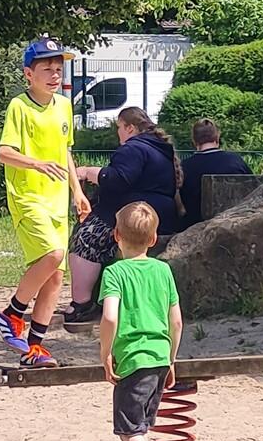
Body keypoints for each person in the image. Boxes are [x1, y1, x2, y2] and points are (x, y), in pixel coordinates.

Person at [0, 38, 91, 368]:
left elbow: (66, 152)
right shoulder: (19, 106)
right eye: (47, 69)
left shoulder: (64, 106)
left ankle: (33, 349)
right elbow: (4, 153)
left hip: (57, 202)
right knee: (53, 254)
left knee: (55, 278)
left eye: (58, 69)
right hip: (28, 197)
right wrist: (35, 164)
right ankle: (11, 314)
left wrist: (77, 192)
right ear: (28, 74)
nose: (54, 75)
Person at [100, 202, 190, 441]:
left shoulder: (114, 273)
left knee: (129, 432)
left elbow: (110, 317)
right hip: (160, 358)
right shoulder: (163, 271)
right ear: (154, 239)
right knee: (140, 430)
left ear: (116, 235)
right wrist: (171, 359)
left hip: (133, 359)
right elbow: (176, 321)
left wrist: (105, 353)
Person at [64, 107, 182, 325]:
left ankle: (82, 304)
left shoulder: (133, 148)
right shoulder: (159, 149)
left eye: (119, 127)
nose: (117, 132)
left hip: (135, 214)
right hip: (161, 215)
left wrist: (89, 172)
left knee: (86, 237)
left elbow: (118, 179)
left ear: (129, 128)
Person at [178, 118, 252, 228]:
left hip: (196, 228)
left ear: (194, 140)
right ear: (217, 137)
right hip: (235, 226)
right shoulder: (236, 161)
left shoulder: (184, 167)